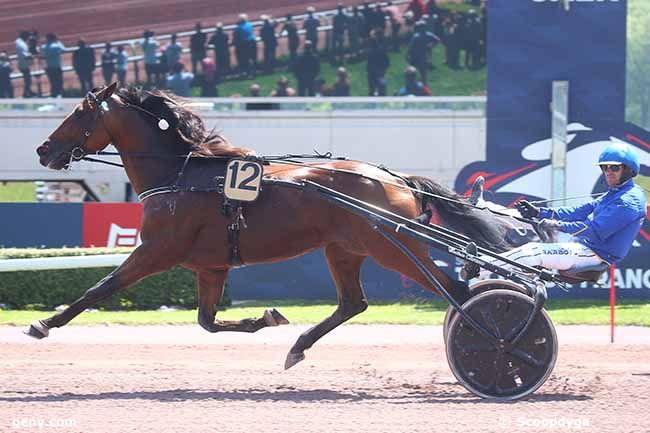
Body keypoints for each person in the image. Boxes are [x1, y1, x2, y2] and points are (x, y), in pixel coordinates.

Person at [462, 142, 647, 280]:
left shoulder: (627, 202)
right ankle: (482, 207)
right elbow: (578, 211)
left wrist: (557, 225)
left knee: (531, 251)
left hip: (594, 255)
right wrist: (540, 213)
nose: (608, 171)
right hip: (582, 245)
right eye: (604, 167)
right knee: (527, 218)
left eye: (614, 167)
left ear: (629, 170)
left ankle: (479, 266)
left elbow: (594, 230)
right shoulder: (615, 193)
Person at [366, 30, 389, 96]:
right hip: (379, 70)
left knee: (372, 88)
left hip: (374, 70)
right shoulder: (380, 48)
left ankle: (373, 97)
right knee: (380, 86)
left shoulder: (370, 51)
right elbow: (386, 60)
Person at [16, 31, 34, 98]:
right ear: (25, 36)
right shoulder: (22, 45)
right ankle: (26, 93)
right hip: (24, 65)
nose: (29, 38)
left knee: (28, 80)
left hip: (22, 64)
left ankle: (28, 91)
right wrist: (32, 56)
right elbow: (25, 55)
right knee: (28, 80)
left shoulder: (20, 42)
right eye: (28, 36)